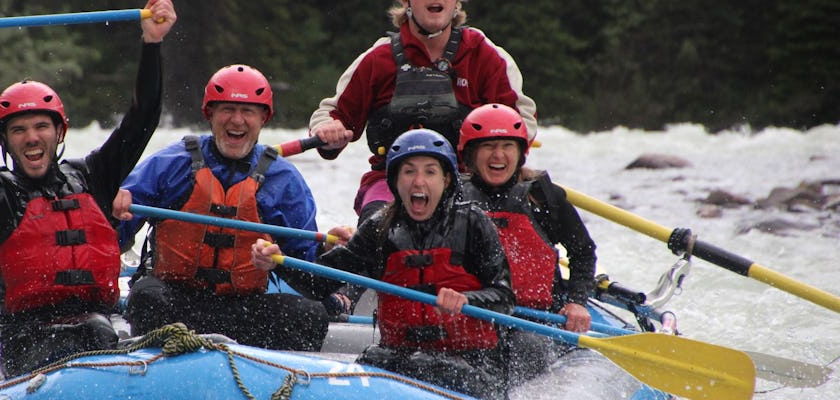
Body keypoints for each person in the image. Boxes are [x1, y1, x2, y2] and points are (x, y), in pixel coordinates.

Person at [0, 0, 177, 379]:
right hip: (29, 341)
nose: (31, 137)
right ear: (5, 141)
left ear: (59, 133)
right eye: (19, 130)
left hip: (104, 327)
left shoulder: (92, 177)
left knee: (117, 324)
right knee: (94, 332)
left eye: (41, 126)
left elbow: (142, 121)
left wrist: (152, 44)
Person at [253, 129, 516, 399]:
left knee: (442, 372)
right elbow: (320, 284)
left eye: (430, 172)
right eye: (409, 172)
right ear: (394, 180)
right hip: (399, 356)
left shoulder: (474, 223)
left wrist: (467, 300)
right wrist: (277, 263)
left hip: (472, 360)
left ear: (447, 179)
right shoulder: (379, 229)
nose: (418, 182)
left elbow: (504, 297)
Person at [112, 64, 338, 352]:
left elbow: (306, 268)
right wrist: (114, 215)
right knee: (146, 297)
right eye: (227, 109)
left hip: (244, 309)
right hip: (177, 302)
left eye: (248, 112)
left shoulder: (283, 180)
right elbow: (112, 234)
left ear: (263, 118)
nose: (237, 120)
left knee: (309, 315)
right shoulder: (171, 164)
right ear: (210, 114)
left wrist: (314, 263)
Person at [309, 0, 539, 223]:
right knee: (376, 227)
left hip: (469, 183)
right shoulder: (377, 58)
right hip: (390, 183)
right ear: (406, 1)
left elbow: (521, 123)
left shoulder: (485, 55)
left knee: (477, 229)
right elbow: (331, 115)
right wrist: (329, 131)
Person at [458, 103, 597, 385]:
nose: (498, 155)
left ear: (521, 152)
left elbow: (583, 253)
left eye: (507, 145)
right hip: (472, 313)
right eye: (489, 146)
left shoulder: (545, 197)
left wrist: (577, 302)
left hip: (535, 320)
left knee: (528, 347)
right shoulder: (452, 197)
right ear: (471, 154)